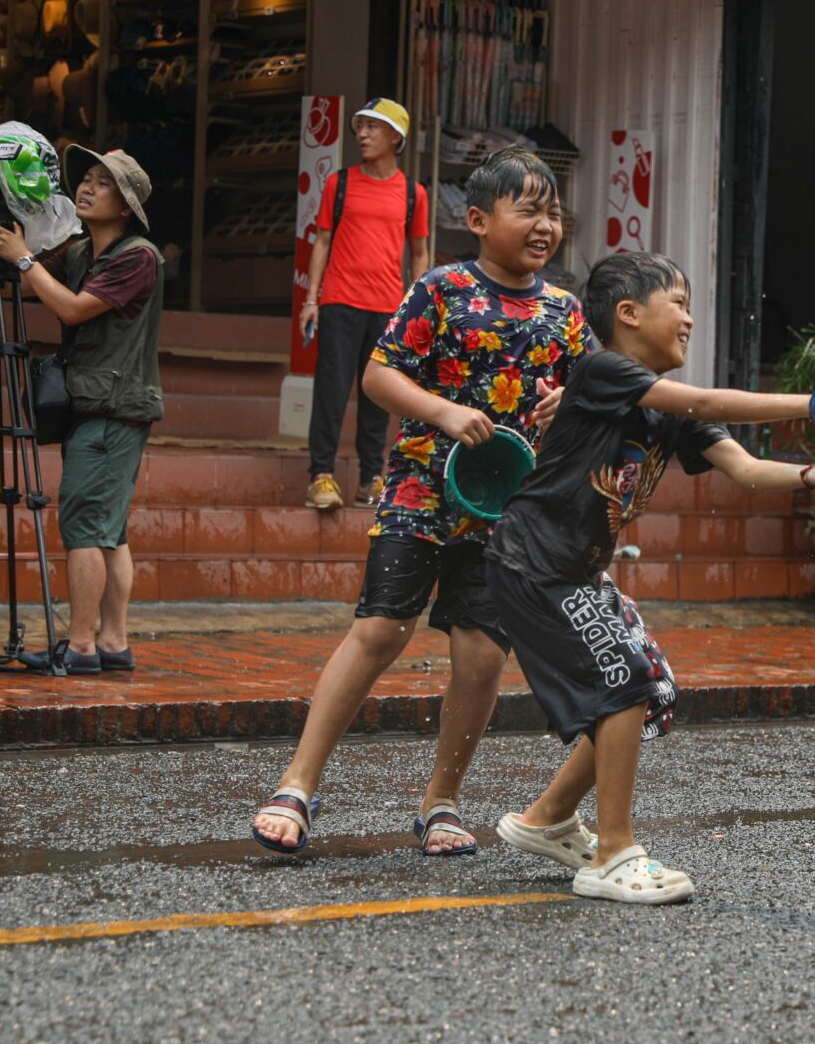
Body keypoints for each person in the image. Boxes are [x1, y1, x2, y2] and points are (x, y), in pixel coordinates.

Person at [487, 251, 815, 905]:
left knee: (652, 688)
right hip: (535, 564)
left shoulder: (671, 412)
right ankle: (613, 853)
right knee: (625, 683)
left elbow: (745, 468)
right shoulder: (604, 371)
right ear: (629, 314)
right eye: (679, 305)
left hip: (576, 572)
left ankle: (547, 817)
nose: (690, 319)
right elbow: (706, 397)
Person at [252, 149, 589, 856]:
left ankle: (442, 802)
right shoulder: (440, 289)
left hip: (509, 509)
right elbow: (379, 378)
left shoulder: (565, 311)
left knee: (480, 656)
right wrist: (439, 413)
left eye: (552, 211)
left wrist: (570, 405)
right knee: (379, 630)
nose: (544, 224)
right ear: (477, 220)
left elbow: (588, 396)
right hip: (419, 488)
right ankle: (297, 784)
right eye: (527, 208)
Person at [0, 148, 162, 675]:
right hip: (100, 405)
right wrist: (8, 217)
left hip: (113, 408)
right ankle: (112, 643)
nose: (87, 188)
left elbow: (72, 307)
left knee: (84, 525)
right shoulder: (81, 251)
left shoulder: (137, 256)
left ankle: (81, 646)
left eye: (103, 184)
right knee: (109, 530)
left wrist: (22, 258)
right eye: (86, 179)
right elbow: (28, 270)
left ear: (124, 205)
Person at [301, 98, 431, 510]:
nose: (362, 134)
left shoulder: (415, 193)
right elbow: (322, 241)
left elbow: (420, 254)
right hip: (340, 300)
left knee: (379, 395)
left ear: (396, 137)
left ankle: (370, 478)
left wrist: (416, 305)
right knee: (332, 390)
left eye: (373, 127)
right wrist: (311, 299)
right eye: (360, 127)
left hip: (388, 307)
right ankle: (321, 475)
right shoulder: (339, 184)